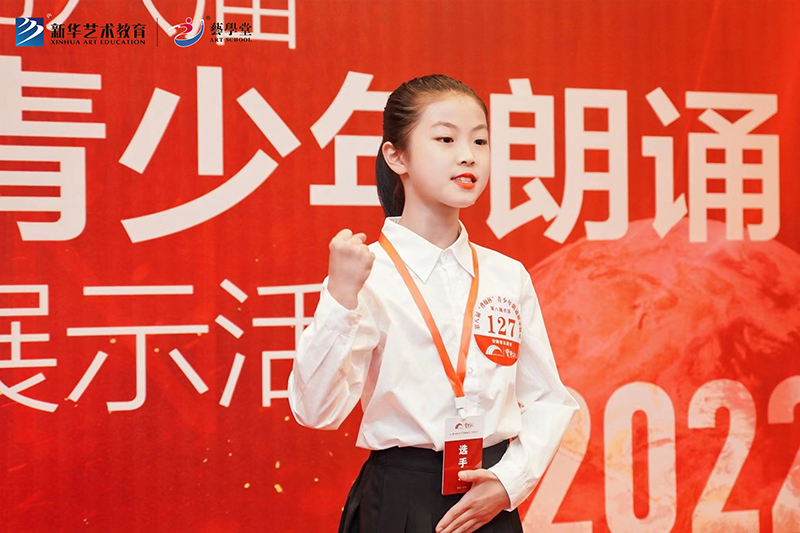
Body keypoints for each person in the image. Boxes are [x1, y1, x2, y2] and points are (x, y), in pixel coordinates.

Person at [288, 74, 578, 533]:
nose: (468, 155)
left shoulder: (507, 275)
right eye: (446, 139)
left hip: (488, 497)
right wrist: (340, 297)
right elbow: (316, 411)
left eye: (479, 141)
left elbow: (547, 399)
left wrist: (509, 482)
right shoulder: (366, 273)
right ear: (396, 156)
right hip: (399, 499)